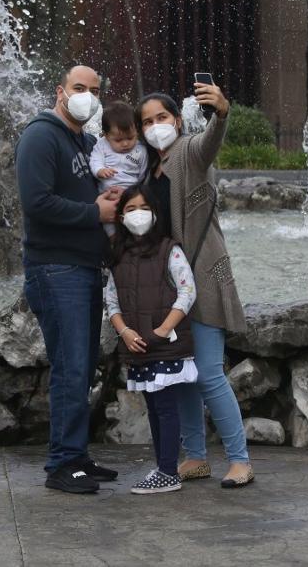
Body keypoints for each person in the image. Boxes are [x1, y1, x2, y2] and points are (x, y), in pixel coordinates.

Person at [137, 84, 254, 488]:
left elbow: (210, 143)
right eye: (147, 122)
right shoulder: (147, 168)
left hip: (201, 276)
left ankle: (239, 459)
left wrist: (222, 113)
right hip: (167, 287)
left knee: (207, 372)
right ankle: (197, 456)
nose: (156, 127)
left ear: (177, 119)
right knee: (182, 372)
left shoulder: (189, 151)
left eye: (162, 118)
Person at [15, 65, 122, 494]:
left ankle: (76, 455)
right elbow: (36, 202)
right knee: (70, 366)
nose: (88, 97)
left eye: (95, 90)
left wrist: (109, 200)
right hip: (55, 268)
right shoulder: (41, 136)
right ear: (61, 91)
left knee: (81, 367)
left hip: (81, 268)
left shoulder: (88, 143)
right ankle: (62, 463)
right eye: (80, 88)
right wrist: (95, 213)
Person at [104, 183, 198, 495]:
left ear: (155, 213)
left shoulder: (169, 249)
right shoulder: (118, 254)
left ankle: (169, 471)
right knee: (154, 407)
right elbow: (112, 301)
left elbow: (187, 290)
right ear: (120, 217)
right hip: (136, 343)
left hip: (165, 342)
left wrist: (162, 330)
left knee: (166, 407)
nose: (138, 215)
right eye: (130, 209)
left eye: (144, 208)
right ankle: (163, 465)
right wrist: (124, 331)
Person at [90, 100, 148, 234]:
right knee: (110, 227)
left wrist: (134, 191)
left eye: (130, 138)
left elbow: (142, 175)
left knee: (134, 225)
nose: (125, 144)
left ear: (137, 132)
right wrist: (100, 170)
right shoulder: (102, 145)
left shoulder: (141, 150)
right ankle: (113, 242)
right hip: (108, 196)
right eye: (118, 140)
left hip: (131, 195)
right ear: (106, 135)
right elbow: (94, 160)